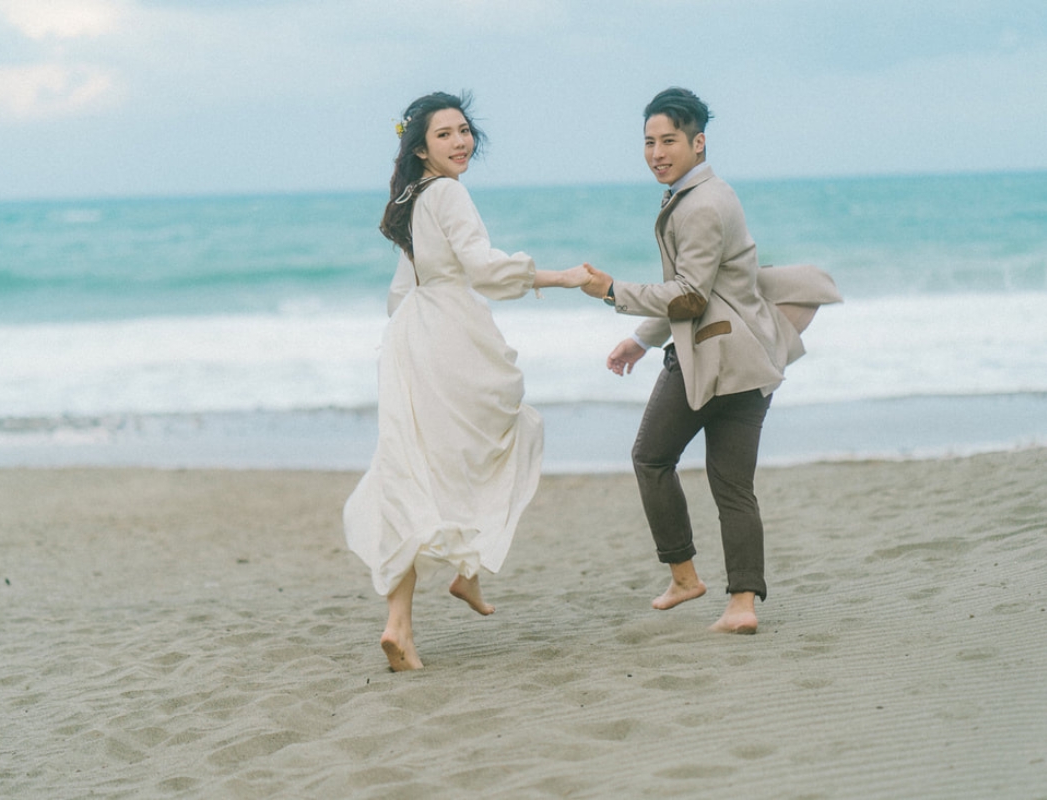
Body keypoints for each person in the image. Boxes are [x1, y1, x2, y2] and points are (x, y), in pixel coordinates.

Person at [343, 91, 591, 671]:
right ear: (421, 149)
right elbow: (482, 269)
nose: (459, 142)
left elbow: (402, 290)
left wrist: (407, 341)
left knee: (413, 472)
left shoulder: (414, 197)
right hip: (451, 333)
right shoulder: (449, 193)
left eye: (463, 130)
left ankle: (402, 622)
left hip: (413, 337)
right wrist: (561, 277)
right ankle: (467, 572)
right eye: (443, 135)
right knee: (508, 437)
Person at [581, 87, 841, 634]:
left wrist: (611, 291)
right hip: (750, 359)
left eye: (669, 141)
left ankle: (683, 575)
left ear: (698, 143)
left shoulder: (698, 204)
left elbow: (691, 297)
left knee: (650, 458)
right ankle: (742, 605)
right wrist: (643, 339)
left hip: (710, 358)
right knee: (733, 487)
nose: (656, 152)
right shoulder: (712, 194)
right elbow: (713, 287)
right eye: (648, 142)